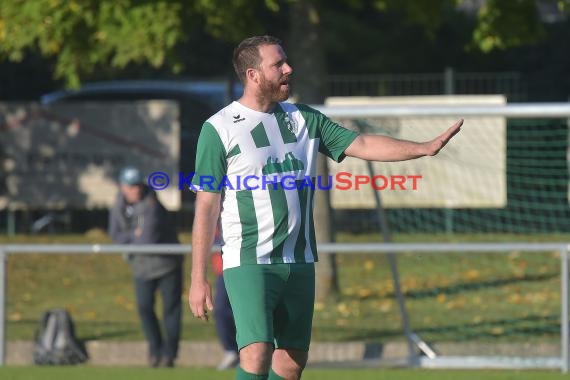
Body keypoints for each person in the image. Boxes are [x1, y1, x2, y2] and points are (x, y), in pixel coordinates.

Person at [188, 35, 463, 380]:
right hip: (249, 261)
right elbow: (206, 208)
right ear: (254, 75)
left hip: (300, 260)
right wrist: (198, 278)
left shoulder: (304, 118)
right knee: (256, 353)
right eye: (279, 64)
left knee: (290, 364)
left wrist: (422, 148)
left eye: (287, 61)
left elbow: (360, 142)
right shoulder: (219, 129)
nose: (290, 69)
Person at [108, 166, 184, 368]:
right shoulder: (118, 206)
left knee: (171, 310)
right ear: (122, 187)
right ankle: (155, 349)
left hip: (167, 264)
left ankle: (169, 354)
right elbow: (116, 236)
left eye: (137, 185)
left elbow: (148, 239)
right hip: (141, 267)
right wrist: (135, 234)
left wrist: (132, 238)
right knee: (144, 308)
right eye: (130, 186)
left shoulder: (152, 204)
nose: (135, 190)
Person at [212, 251, 240, 370]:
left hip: (253, 265)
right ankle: (231, 351)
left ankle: (269, 351)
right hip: (226, 268)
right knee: (220, 310)